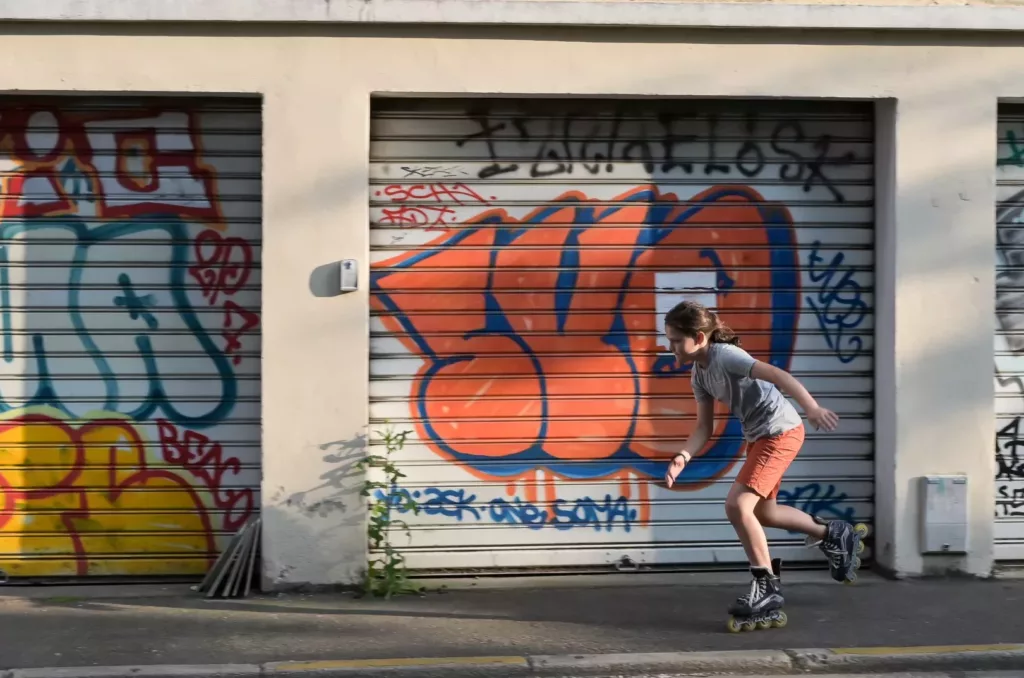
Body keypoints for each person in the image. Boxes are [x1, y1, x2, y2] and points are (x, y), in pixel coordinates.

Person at [661, 300, 864, 621]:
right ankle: (835, 535)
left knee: (736, 505)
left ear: (699, 338)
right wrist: (683, 456)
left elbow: (778, 375)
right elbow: (704, 427)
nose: (669, 345)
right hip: (759, 436)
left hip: (780, 432)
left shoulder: (726, 356)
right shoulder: (699, 375)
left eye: (674, 340)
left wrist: (811, 408)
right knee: (764, 512)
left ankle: (765, 585)